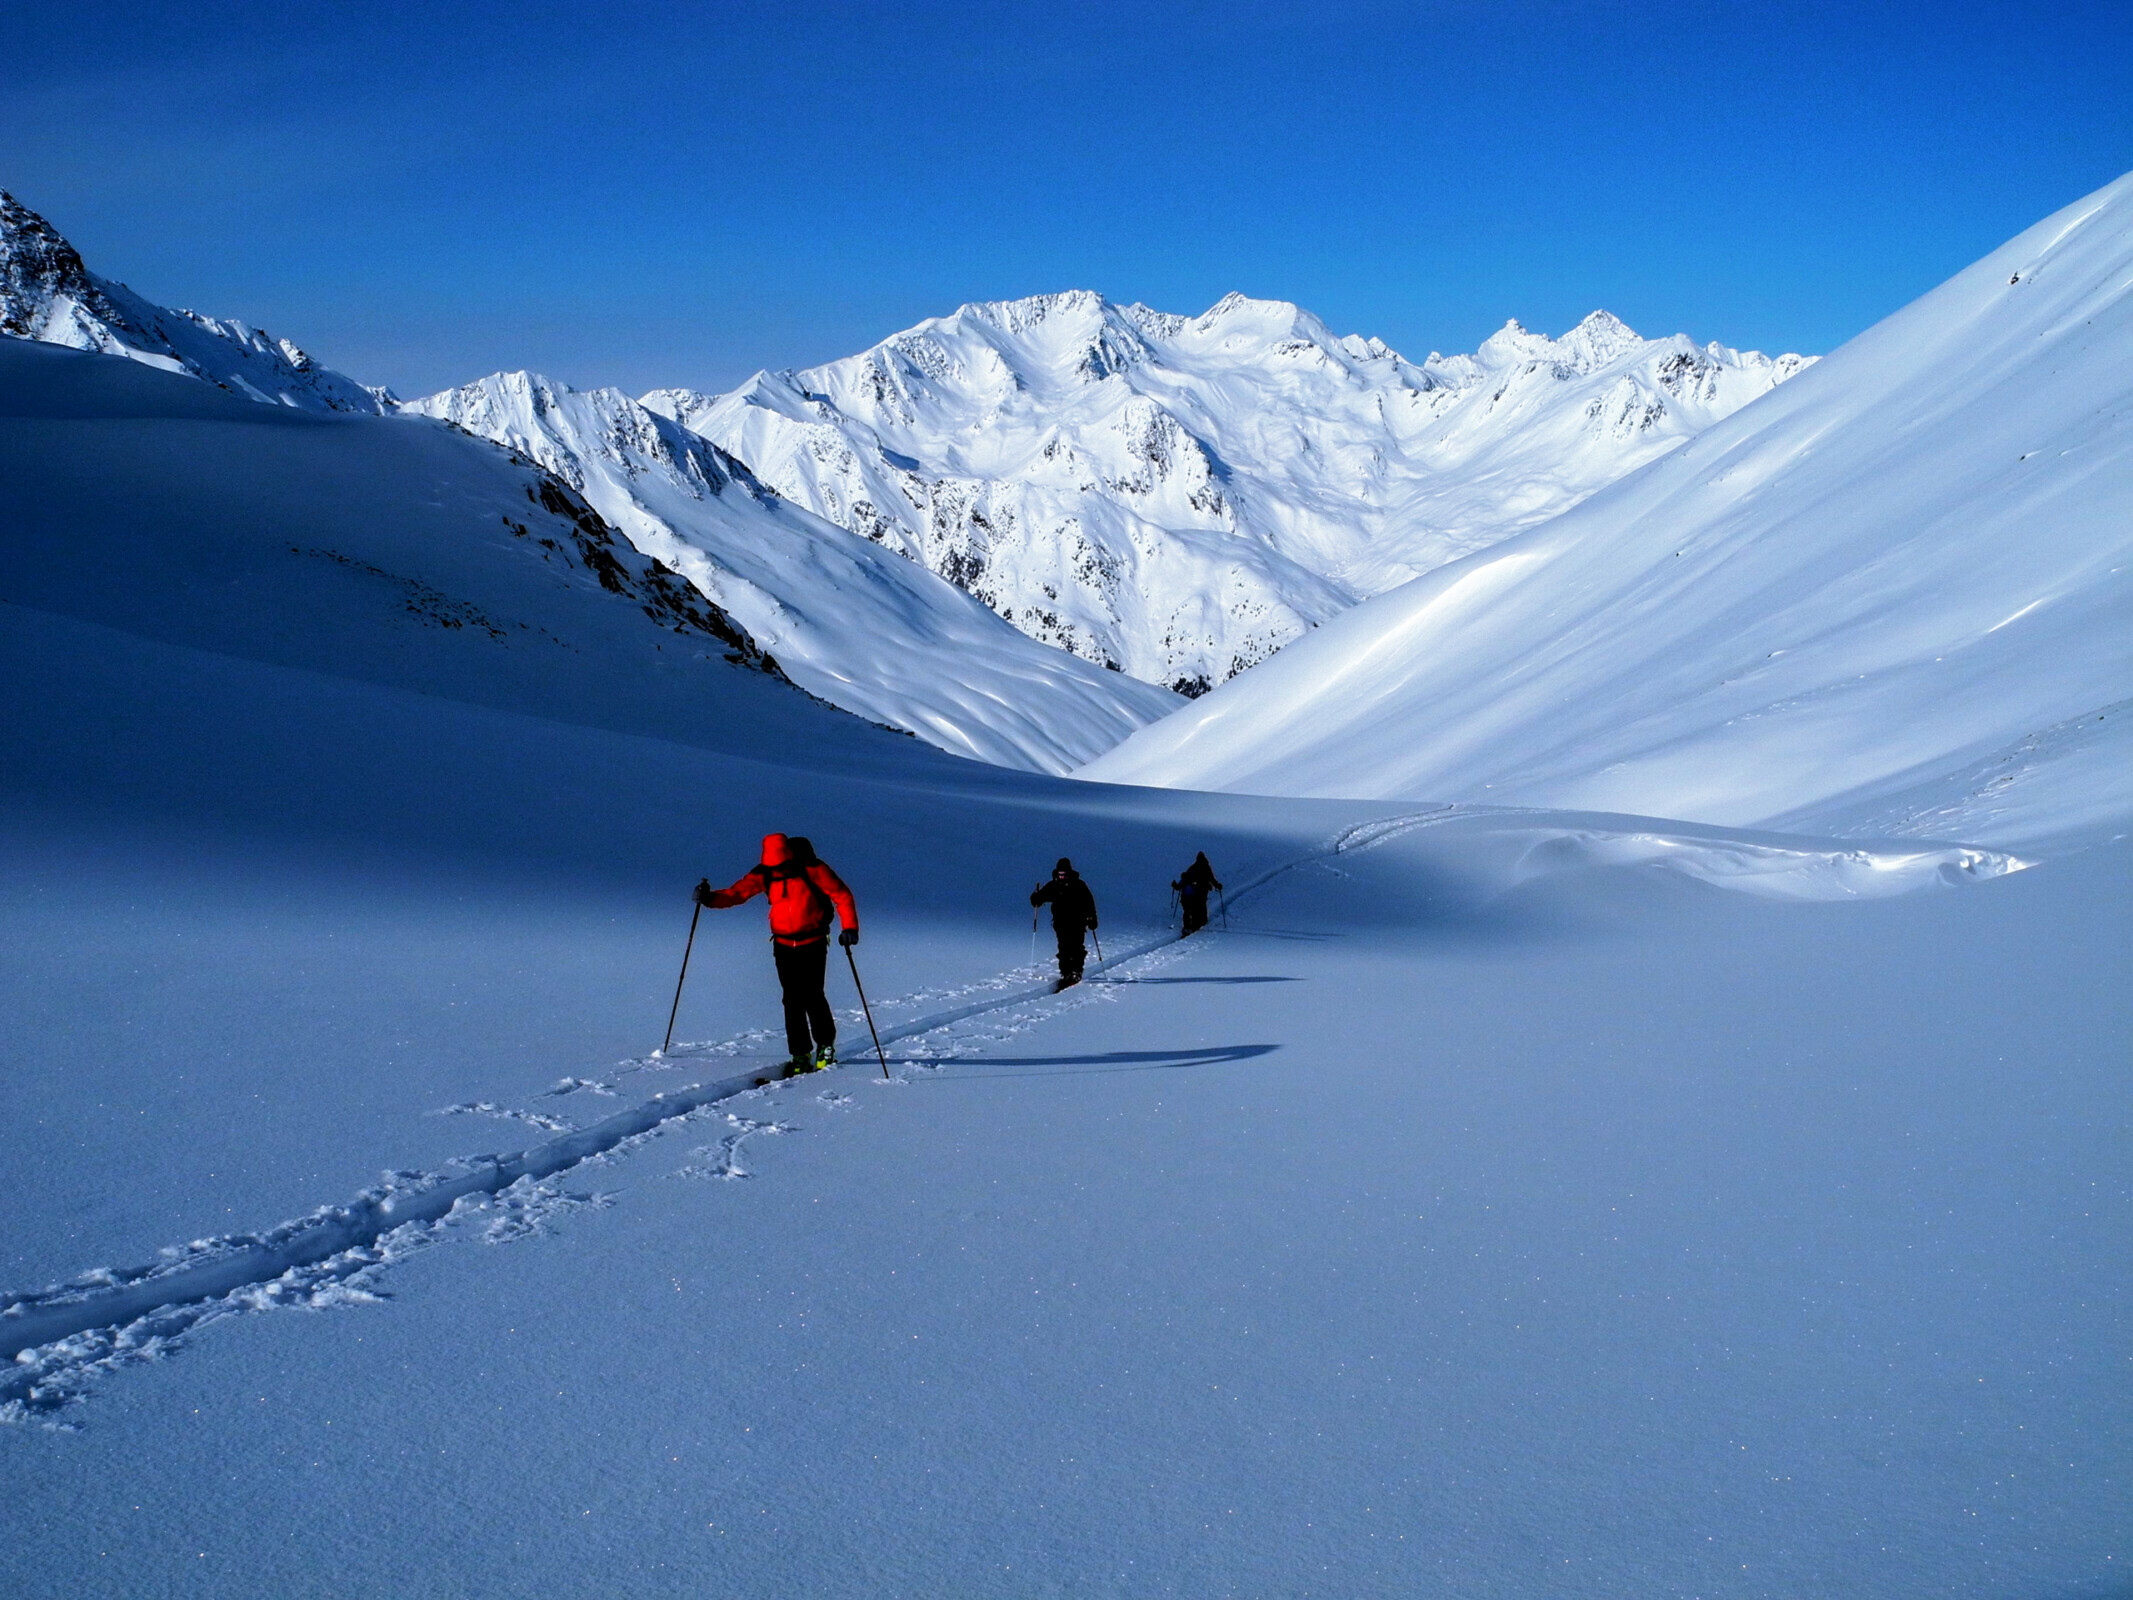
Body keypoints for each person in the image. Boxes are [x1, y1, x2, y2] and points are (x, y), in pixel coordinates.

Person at [695, 833, 858, 1076]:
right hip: (782, 944)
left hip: (812, 941)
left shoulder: (813, 868)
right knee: (791, 999)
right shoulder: (766, 872)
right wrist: (709, 898)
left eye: (781, 865)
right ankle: (800, 1053)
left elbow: (841, 895)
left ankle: (825, 1046)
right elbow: (737, 894)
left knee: (812, 994)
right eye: (773, 865)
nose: (778, 869)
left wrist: (850, 928)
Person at [1031, 857, 1099, 988]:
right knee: (1063, 947)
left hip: (1078, 921)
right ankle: (1066, 972)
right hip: (1060, 922)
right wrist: (1035, 899)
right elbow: (1041, 897)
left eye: (1064, 874)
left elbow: (1089, 902)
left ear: (1069, 872)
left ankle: (1076, 971)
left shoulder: (1079, 885)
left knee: (1077, 947)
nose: (1061, 876)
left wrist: (1092, 918)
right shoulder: (1054, 885)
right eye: (1060, 874)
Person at [1172, 851, 1224, 935]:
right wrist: (1217, 885)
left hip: (1192, 893)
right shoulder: (1206, 867)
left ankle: (1189, 927)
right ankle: (1200, 922)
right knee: (1201, 906)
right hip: (1202, 891)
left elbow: (1184, 880)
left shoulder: (1193, 867)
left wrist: (1177, 886)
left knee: (1190, 910)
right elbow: (1211, 878)